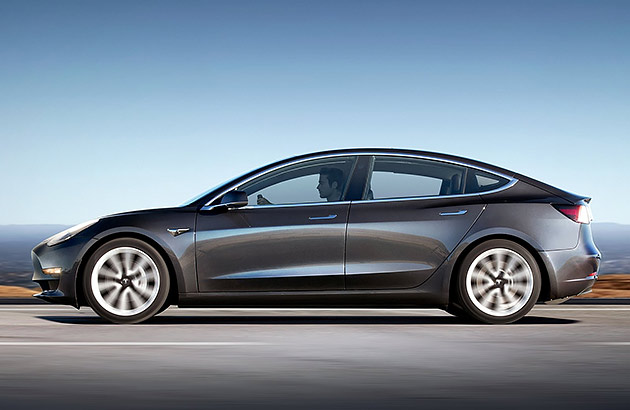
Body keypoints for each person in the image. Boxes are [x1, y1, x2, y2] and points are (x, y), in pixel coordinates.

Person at [256, 167, 344, 205]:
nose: (318, 187)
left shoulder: (340, 209)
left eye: (321, 183)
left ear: (334, 185)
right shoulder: (333, 207)